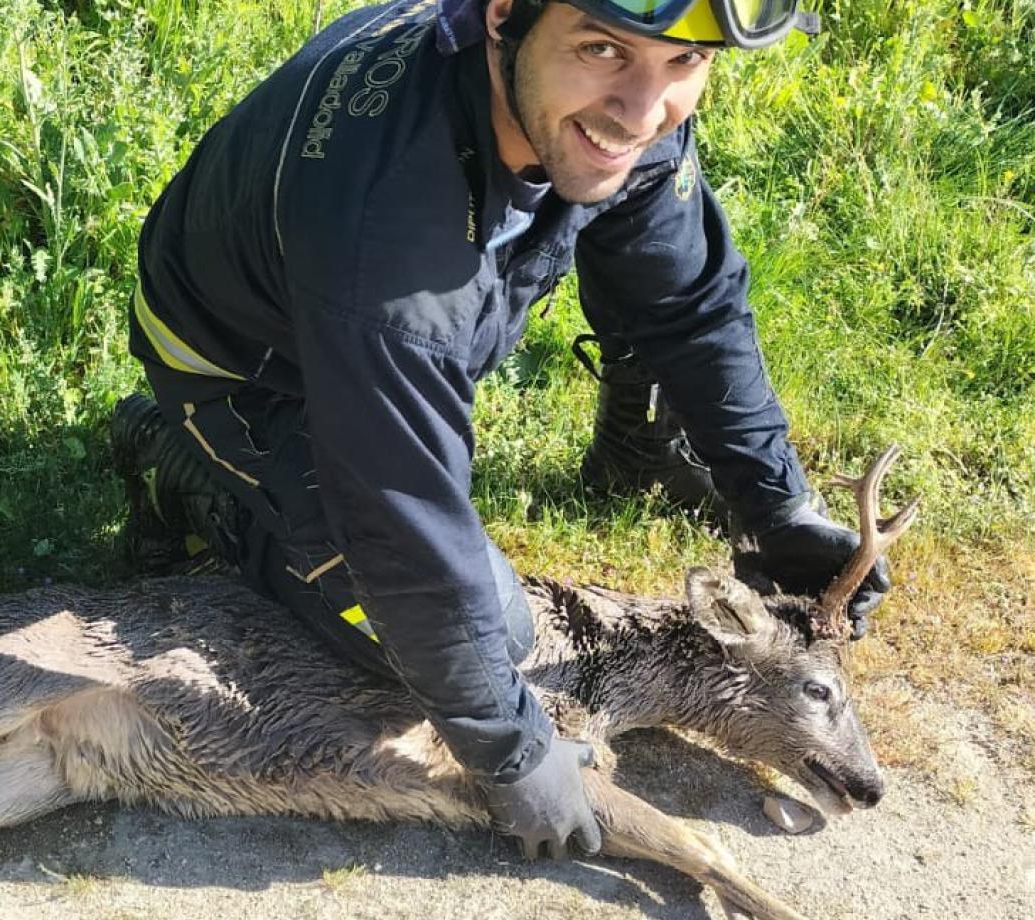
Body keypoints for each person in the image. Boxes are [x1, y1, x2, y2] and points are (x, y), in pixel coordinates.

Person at [112, 0, 889, 863]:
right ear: (503, 15)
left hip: (377, 319)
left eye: (684, 65)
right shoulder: (394, 238)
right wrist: (513, 752)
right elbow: (401, 524)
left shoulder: (604, 109)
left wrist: (777, 504)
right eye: (603, 48)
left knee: (627, 211)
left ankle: (637, 449)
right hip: (250, 373)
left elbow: (691, 305)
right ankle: (186, 467)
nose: (643, 108)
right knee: (486, 634)